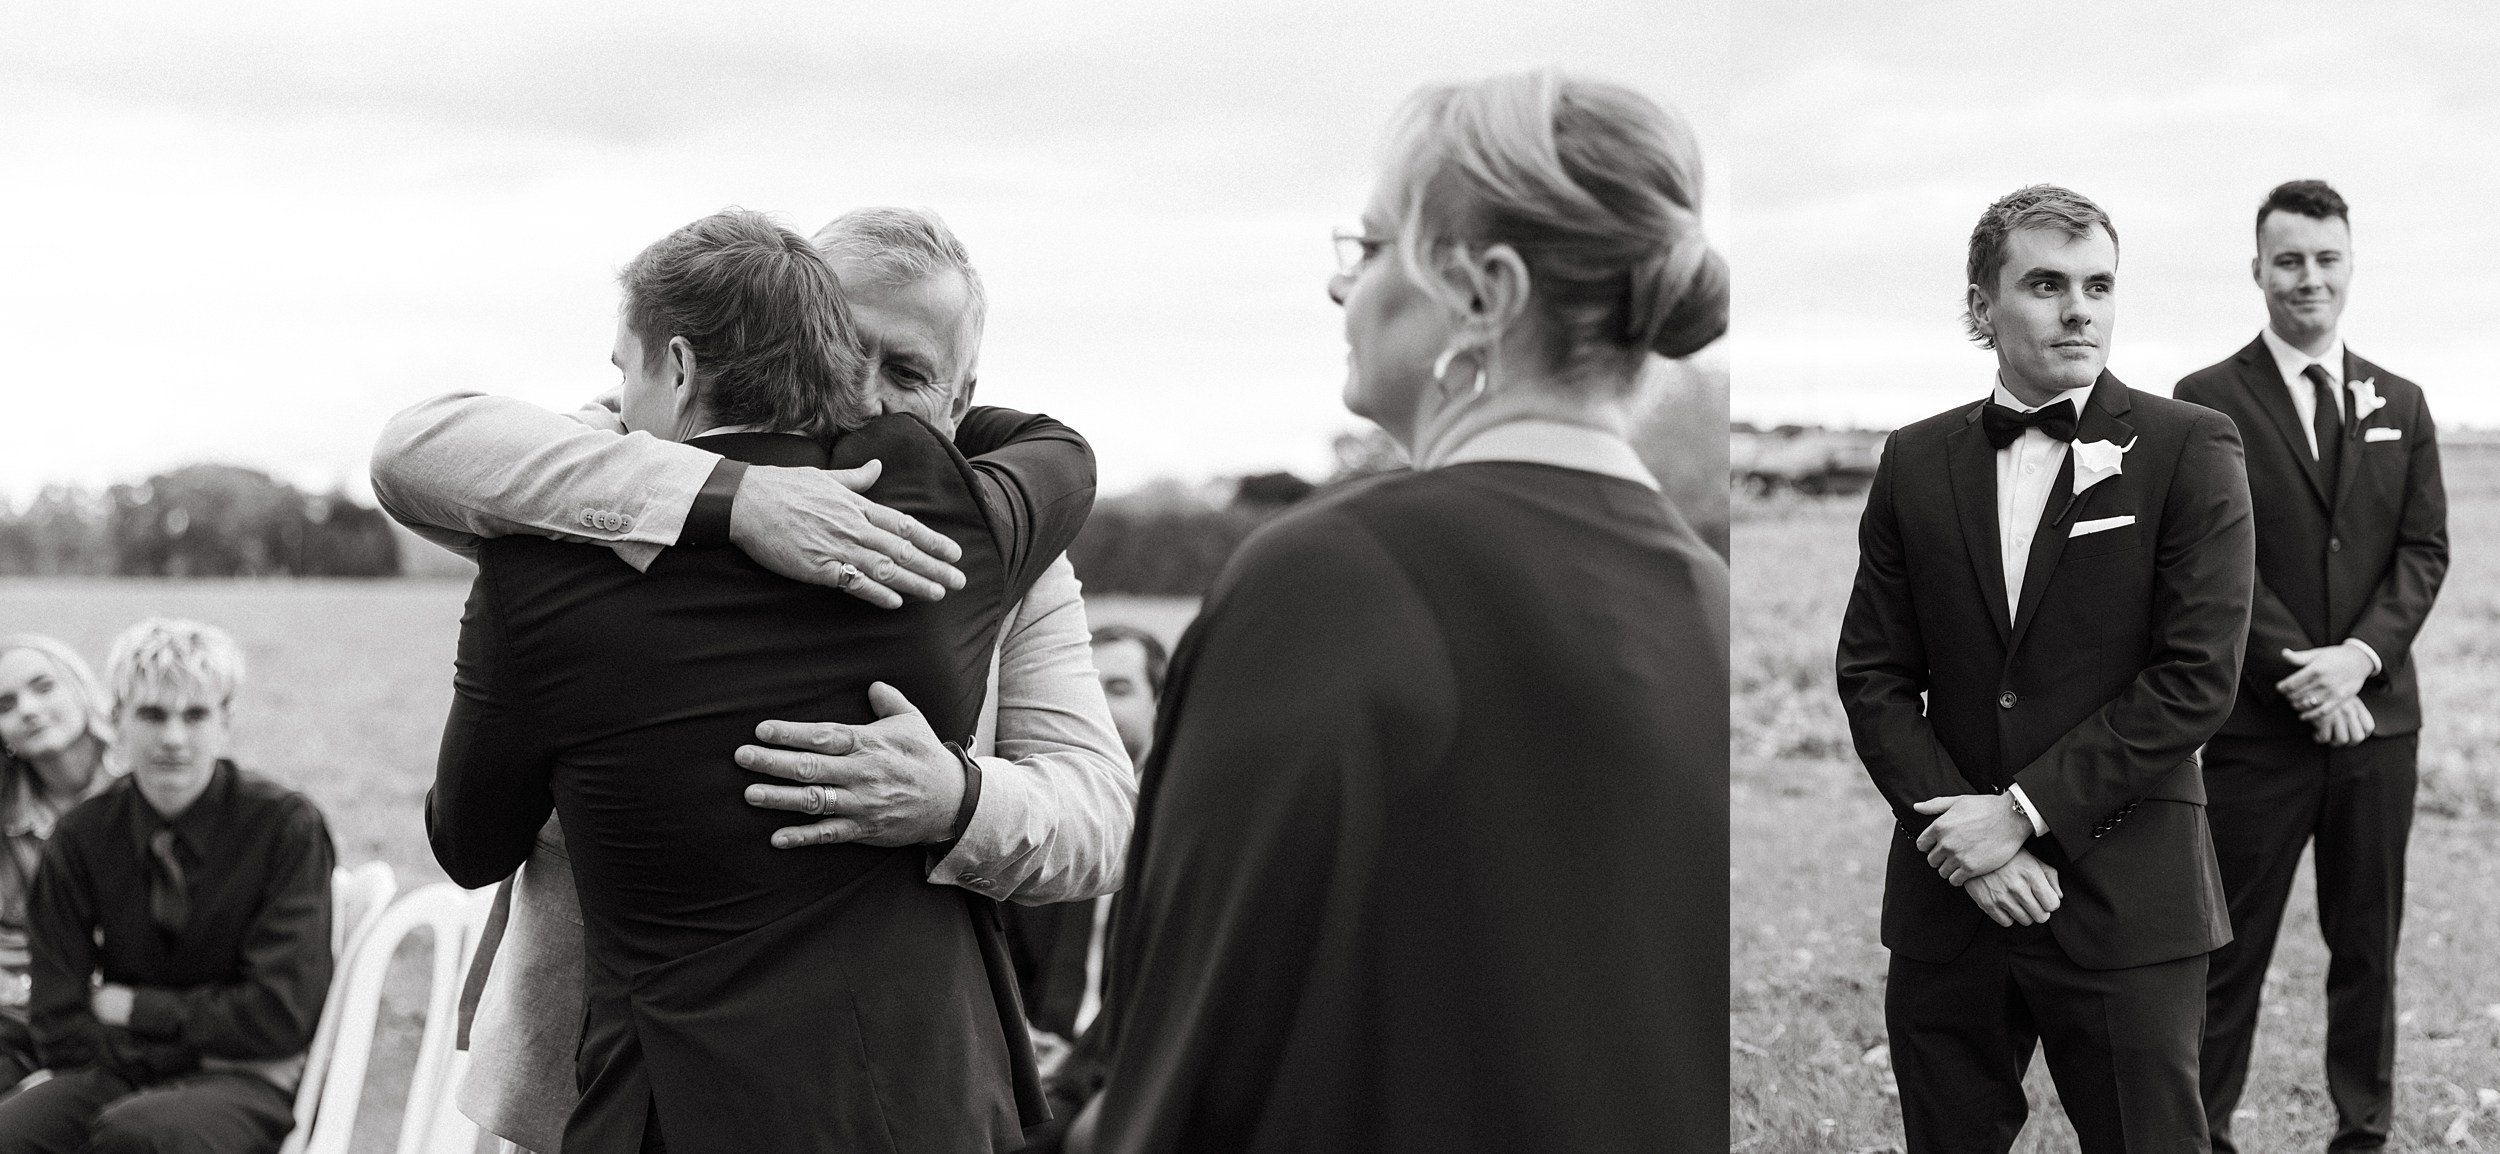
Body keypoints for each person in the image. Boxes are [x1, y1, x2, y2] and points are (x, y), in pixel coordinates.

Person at [1065, 70, 1729, 1153]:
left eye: (1370, 248)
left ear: (1483, 292)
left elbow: (1187, 1063)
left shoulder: (1335, 574)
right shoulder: (1714, 602)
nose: (1342, 290)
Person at [372, 206, 1132, 1153]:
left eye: (906, 372)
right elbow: (417, 451)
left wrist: (956, 798)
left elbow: (1104, 815)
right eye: (840, 349)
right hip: (598, 1078)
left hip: (901, 1074)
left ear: (962, 394)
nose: (860, 393)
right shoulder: (608, 463)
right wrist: (728, 498)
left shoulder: (995, 544)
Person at [1834, 184, 2255, 1152]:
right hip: (1950, 899)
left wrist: (2019, 815)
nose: (2079, 310)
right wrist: (1960, 839)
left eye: (2098, 286)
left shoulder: (2188, 446)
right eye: (2046, 284)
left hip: (2127, 894)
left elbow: (2195, 676)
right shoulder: (1914, 459)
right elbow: (1874, 674)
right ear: (1981, 307)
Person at [2174, 180, 2448, 1154]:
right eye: (2288, 259)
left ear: (2350, 263)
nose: (2308, 278)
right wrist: (2308, 674)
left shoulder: (2402, 402)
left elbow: (2422, 550)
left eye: (2326, 258)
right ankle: (2201, 1134)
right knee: (2226, 948)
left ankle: (2362, 1132)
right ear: (2257, 268)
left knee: (2367, 948)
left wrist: (2359, 660)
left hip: (2379, 726)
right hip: (2258, 729)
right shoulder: (2205, 400)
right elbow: (2212, 560)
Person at [0, 619, 335, 1154]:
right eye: (152, 715)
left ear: (226, 721)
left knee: (140, 1135)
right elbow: (58, 1022)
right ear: (117, 719)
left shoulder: (284, 827)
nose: (173, 739)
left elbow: (278, 1014)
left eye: (195, 715)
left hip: (243, 1083)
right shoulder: (82, 835)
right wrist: (187, 1044)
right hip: (124, 1069)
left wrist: (134, 1008)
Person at [1005, 624, 1166, 1130]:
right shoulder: (1042, 820)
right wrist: (1018, 1035)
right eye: (1087, 691)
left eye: (1118, 689)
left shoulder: (1183, 831)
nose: (1099, 708)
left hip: (1129, 1071)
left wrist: (1081, 1063)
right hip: (1030, 1065)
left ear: (1160, 705)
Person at [0, 637, 121, 1092]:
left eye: (44, 687)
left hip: (116, 1016)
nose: (28, 710)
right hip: (19, 1016)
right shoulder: (6, 810)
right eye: (6, 705)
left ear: (81, 689)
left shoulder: (145, 787)